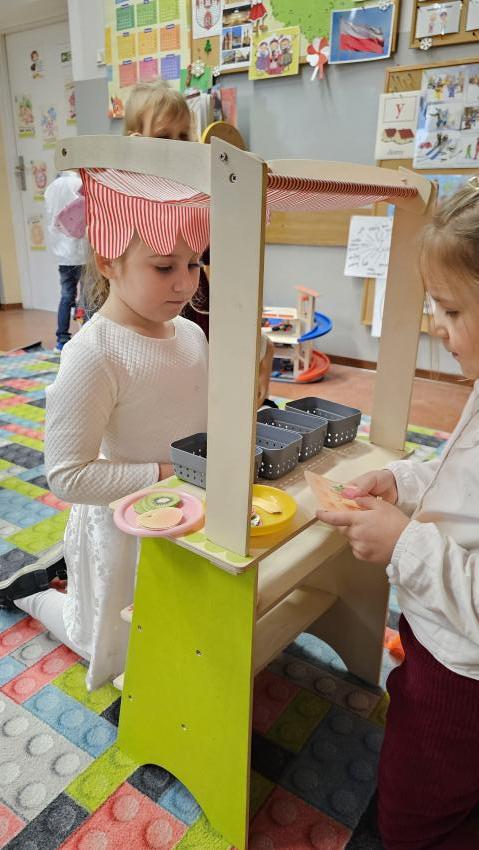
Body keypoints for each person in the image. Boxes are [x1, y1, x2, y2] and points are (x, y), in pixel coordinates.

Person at [316, 181, 479, 849]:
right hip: (438, 643)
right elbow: (458, 477)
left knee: (413, 817)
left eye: (451, 309)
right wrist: (402, 482)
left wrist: (402, 543)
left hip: (460, 675)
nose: (437, 326)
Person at [16, 171, 209, 689]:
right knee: (108, 647)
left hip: (186, 513)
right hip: (126, 531)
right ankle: (33, 594)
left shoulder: (190, 333)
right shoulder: (93, 352)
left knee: (184, 626)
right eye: (164, 266)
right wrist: (166, 473)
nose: (185, 283)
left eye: (194, 263)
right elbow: (68, 476)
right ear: (107, 261)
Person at [123, 80, 274, 405]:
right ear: (135, 141)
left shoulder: (195, 194)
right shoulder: (125, 192)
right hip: (145, 304)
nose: (178, 146)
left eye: (184, 136)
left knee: (205, 371)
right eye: (164, 137)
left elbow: (225, 259)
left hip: (195, 303)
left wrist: (259, 344)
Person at [44, 170, 88, 352]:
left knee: (66, 295)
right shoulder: (79, 184)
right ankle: (87, 338)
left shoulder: (51, 188)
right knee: (87, 296)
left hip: (63, 254)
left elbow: (51, 219)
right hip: (83, 250)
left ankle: (61, 339)